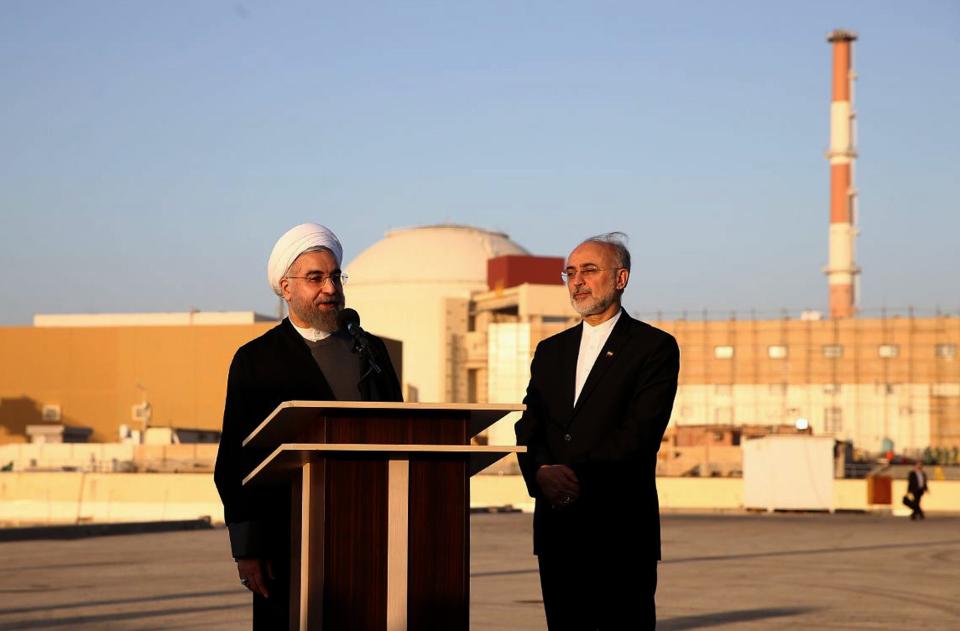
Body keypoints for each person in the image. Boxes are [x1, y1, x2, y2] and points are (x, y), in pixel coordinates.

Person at [214, 223, 402, 628]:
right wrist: (247, 547)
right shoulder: (257, 359)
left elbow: (399, 431)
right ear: (286, 288)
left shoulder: (370, 350)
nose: (330, 288)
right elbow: (234, 460)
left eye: (335, 276)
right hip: (287, 540)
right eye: (315, 278)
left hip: (368, 535)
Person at [515, 232, 680, 631]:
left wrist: (569, 478)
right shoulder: (551, 351)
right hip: (558, 530)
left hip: (618, 530)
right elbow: (529, 423)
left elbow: (638, 435)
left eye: (589, 270)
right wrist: (540, 474)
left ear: (621, 278)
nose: (577, 281)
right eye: (570, 272)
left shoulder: (653, 348)